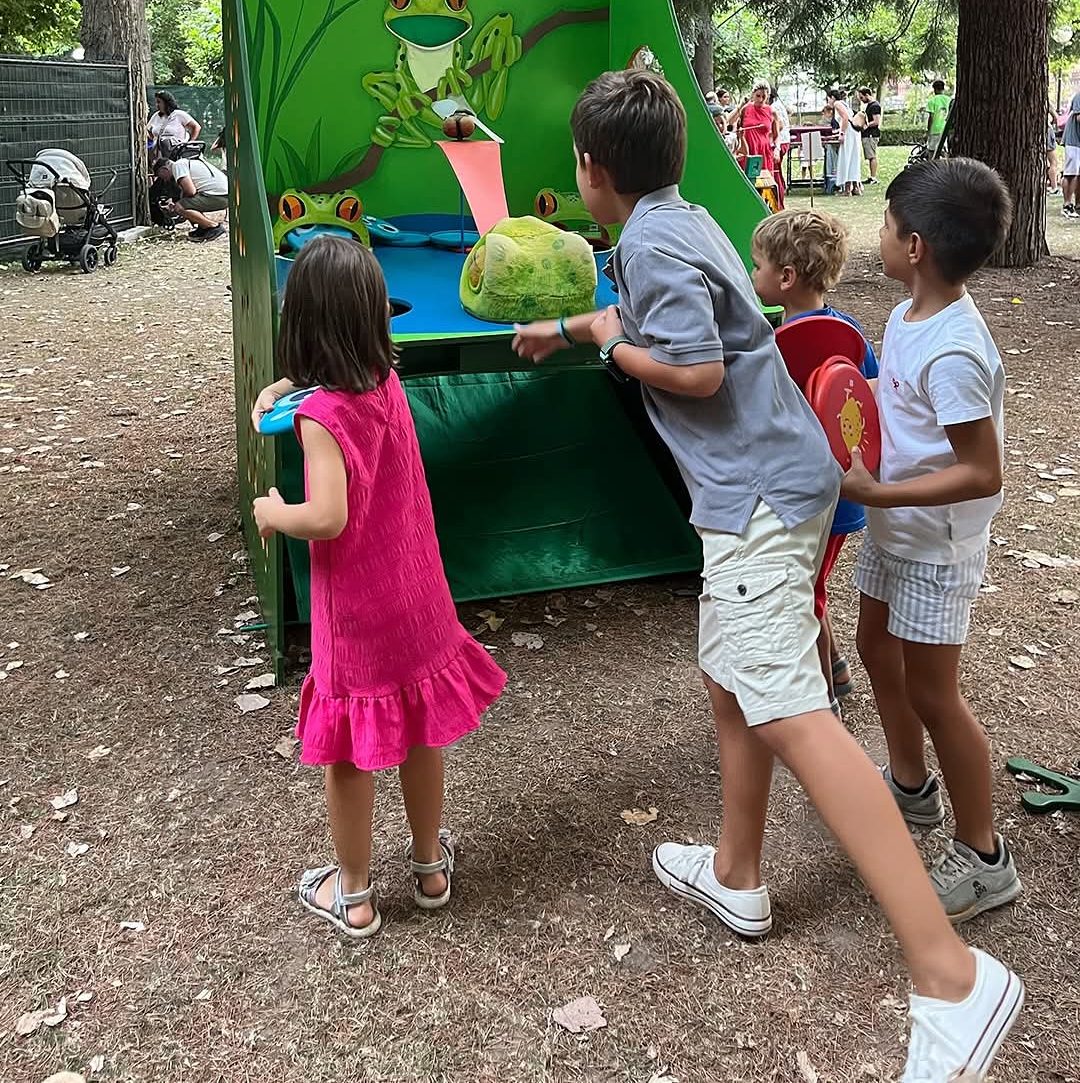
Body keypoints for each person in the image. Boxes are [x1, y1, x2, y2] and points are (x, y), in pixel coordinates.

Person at [512, 71, 1022, 1083]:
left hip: (756, 497)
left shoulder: (647, 242)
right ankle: (737, 872)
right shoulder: (680, 215)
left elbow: (695, 369)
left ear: (591, 171)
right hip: (770, 481)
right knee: (730, 673)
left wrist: (609, 344)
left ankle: (951, 973)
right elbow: (679, 323)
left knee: (793, 712)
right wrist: (577, 326)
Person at [251, 237, 505, 939]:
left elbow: (327, 516)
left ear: (300, 324)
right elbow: (321, 387)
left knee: (347, 752)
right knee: (421, 730)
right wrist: (278, 391)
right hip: (417, 594)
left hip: (357, 610)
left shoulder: (320, 419)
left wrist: (274, 512)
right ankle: (429, 867)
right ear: (372, 317)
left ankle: (355, 894)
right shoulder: (383, 381)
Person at [843, 158, 1021, 930]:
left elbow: (982, 470)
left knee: (934, 694)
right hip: (898, 526)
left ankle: (984, 857)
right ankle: (911, 787)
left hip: (936, 543)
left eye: (885, 225)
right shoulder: (908, 314)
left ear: (913, 246)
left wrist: (877, 494)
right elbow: (900, 411)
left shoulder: (955, 351)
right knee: (873, 645)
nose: (878, 235)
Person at [750, 209, 878, 710]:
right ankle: (837, 669)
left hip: (818, 499)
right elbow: (871, 396)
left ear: (786, 278)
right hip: (838, 491)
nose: (752, 272)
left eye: (757, 264)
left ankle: (824, 705)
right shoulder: (848, 330)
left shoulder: (784, 347)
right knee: (811, 584)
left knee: (804, 595)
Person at [153, 153, 229, 242]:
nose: (165, 180)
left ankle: (213, 227)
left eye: (162, 176)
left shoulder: (177, 166)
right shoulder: (185, 163)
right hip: (224, 194)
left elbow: (190, 191)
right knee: (184, 204)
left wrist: (177, 207)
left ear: (164, 169)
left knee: (180, 207)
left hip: (220, 196)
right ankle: (203, 227)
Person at [732, 80, 778, 186]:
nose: (761, 99)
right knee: (746, 182)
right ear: (753, 94)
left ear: (767, 97)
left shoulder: (772, 111)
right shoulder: (746, 109)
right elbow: (736, 126)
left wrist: (777, 149)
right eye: (758, 96)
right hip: (748, 149)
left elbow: (776, 135)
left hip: (764, 151)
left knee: (764, 184)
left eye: (764, 97)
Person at [826, 87, 862, 196]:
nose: (828, 102)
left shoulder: (837, 104)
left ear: (832, 98)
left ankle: (847, 189)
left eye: (828, 99)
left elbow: (845, 118)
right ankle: (855, 187)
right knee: (853, 158)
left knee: (846, 157)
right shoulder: (844, 104)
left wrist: (842, 133)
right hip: (853, 132)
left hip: (849, 133)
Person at [147, 91, 201, 156]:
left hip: (177, 151)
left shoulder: (178, 114)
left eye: (159, 102)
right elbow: (147, 131)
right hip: (158, 152)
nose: (157, 105)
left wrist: (190, 143)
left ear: (166, 102)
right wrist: (153, 139)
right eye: (156, 102)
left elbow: (196, 127)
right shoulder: (156, 116)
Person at [1061, 87, 1080, 218]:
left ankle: (1078, 204)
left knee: (1078, 174)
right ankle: (1067, 204)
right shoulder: (1079, 96)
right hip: (1073, 140)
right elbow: (1079, 118)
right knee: (1071, 173)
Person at [770, 88, 791, 205]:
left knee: (775, 172)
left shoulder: (774, 107)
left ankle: (779, 203)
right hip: (783, 141)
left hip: (779, 143)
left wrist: (767, 135)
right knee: (777, 172)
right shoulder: (778, 104)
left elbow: (780, 125)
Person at [858, 87, 883, 182]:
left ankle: (873, 177)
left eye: (862, 97)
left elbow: (876, 121)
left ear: (867, 95)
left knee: (872, 156)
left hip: (871, 135)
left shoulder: (875, 106)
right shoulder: (869, 105)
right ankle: (871, 176)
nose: (861, 100)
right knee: (870, 156)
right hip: (868, 134)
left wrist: (866, 125)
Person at [926, 80, 950, 155]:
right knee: (944, 151)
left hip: (935, 129)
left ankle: (932, 163)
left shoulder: (932, 101)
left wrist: (928, 130)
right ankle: (945, 162)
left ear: (935, 89)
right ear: (943, 88)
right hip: (946, 129)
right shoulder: (949, 100)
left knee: (932, 152)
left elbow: (931, 117)